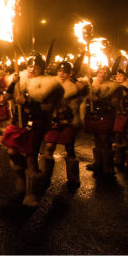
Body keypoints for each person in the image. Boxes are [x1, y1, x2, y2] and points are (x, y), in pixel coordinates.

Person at [2, 54, 63, 206]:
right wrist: (13, 84)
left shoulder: (50, 85)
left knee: (30, 157)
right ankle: (22, 178)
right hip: (18, 123)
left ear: (42, 69)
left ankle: (32, 194)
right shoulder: (19, 79)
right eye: (29, 66)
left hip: (36, 123)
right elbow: (6, 97)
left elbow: (48, 107)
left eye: (36, 67)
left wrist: (29, 103)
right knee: (12, 152)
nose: (31, 69)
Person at [42, 60, 89, 191]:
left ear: (69, 73)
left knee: (69, 148)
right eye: (60, 71)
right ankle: (45, 177)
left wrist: (73, 78)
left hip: (68, 121)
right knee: (49, 147)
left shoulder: (74, 85)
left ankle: (73, 179)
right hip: (53, 121)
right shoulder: (52, 83)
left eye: (65, 72)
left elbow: (84, 90)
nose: (61, 73)